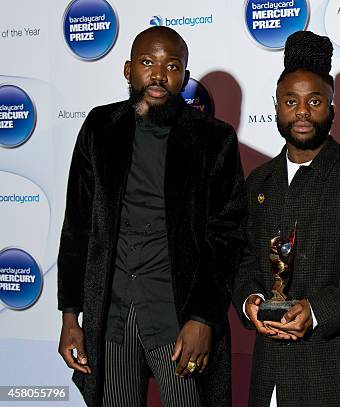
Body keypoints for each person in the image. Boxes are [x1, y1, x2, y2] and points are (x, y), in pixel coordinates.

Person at [57, 26, 245, 407]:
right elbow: (77, 226)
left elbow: (226, 238)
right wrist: (70, 317)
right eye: (147, 63)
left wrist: (203, 319)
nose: (158, 76)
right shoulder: (99, 128)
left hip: (178, 320)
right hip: (112, 318)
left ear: (185, 78)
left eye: (172, 66)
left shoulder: (214, 140)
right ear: (128, 70)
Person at [232, 31, 340, 407]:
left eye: (314, 101)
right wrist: (251, 301)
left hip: (339, 373)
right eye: (291, 101)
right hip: (270, 377)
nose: (302, 112)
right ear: (276, 108)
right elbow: (243, 258)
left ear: (332, 108)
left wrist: (317, 311)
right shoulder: (259, 182)